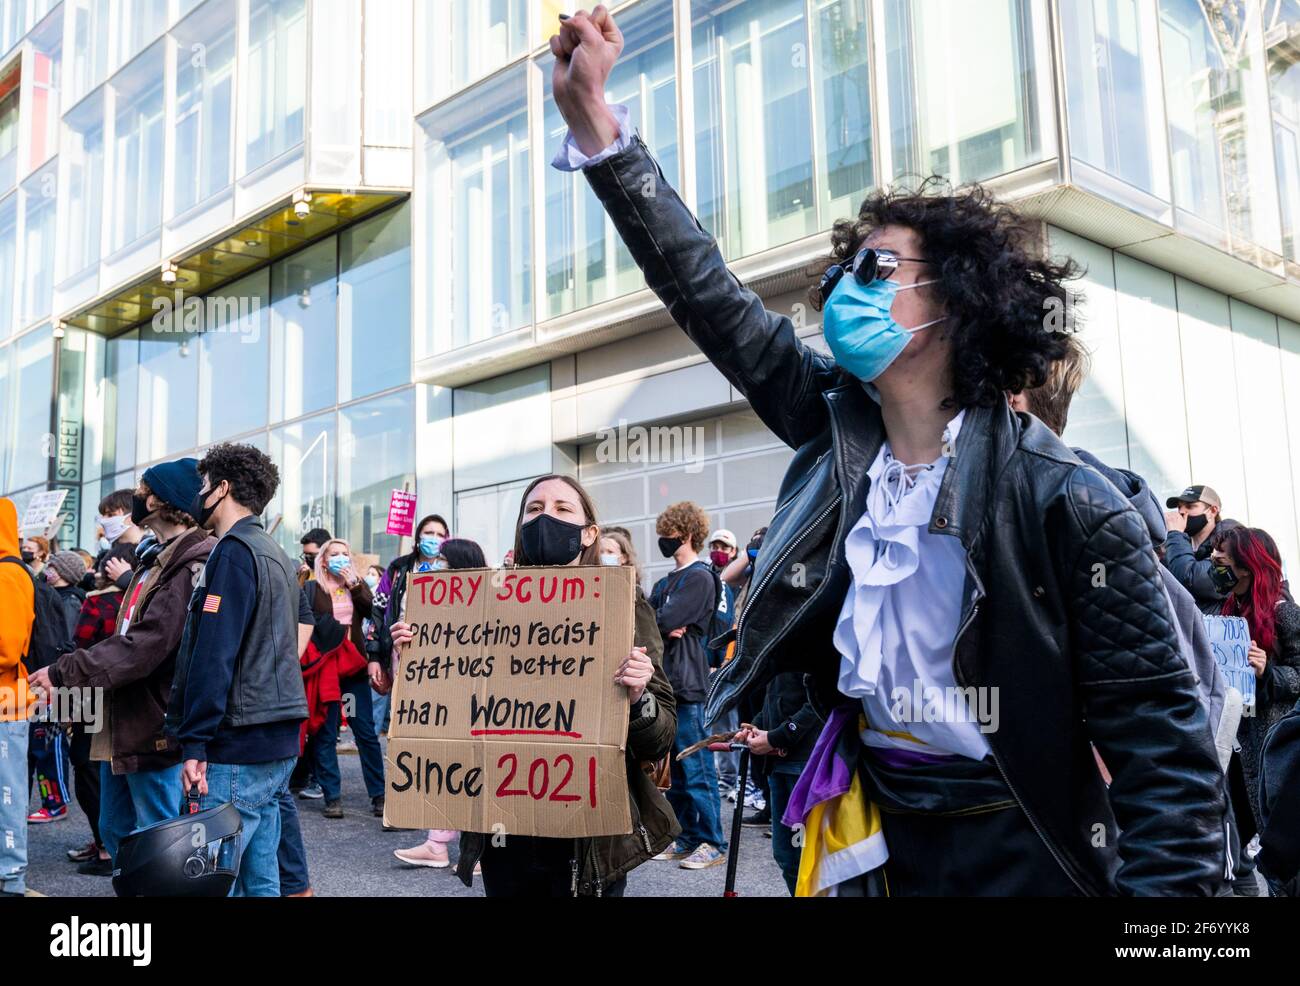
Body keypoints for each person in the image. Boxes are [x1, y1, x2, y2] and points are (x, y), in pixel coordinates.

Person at [549, 5, 1226, 895]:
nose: (841, 293)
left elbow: (1164, 756)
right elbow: (709, 296)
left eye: (876, 271)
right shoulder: (837, 428)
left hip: (1029, 848)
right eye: (842, 274)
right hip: (872, 839)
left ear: (965, 301)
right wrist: (600, 130)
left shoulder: (1065, 498)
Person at [392, 475, 678, 896]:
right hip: (503, 830)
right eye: (535, 509)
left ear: (589, 533)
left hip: (587, 837)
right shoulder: (483, 605)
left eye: (563, 509)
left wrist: (639, 697)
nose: (546, 518)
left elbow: (661, 736)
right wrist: (421, 658)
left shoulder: (623, 606)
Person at [30, 460, 215, 879]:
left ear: (166, 501)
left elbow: (145, 646)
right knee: (116, 832)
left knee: (159, 838)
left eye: (144, 490)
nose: (136, 498)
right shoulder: (155, 560)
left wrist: (66, 671)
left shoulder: (187, 567)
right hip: (125, 722)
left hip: (154, 725)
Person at [166, 442, 307, 897]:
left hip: (236, 742)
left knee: (216, 881)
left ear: (222, 488)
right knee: (260, 876)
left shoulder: (232, 551)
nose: (199, 494)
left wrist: (195, 741)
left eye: (205, 485)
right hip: (275, 733)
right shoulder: (275, 553)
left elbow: (215, 654)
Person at [393, 537, 487, 870]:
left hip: (480, 702)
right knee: (448, 769)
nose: (436, 564)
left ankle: (482, 850)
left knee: (478, 772)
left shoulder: (488, 604)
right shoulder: (432, 601)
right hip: (445, 701)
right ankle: (437, 845)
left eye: (444, 560)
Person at [648, 501, 729, 870]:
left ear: (689, 535)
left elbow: (667, 617)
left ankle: (712, 840)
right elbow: (650, 622)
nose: (665, 542)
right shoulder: (665, 581)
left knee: (696, 767)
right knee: (677, 771)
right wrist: (663, 624)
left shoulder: (699, 576)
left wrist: (664, 622)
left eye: (671, 537)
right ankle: (686, 836)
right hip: (666, 681)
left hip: (690, 682)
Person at [1211, 528, 1300, 858]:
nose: (1213, 563)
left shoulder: (1284, 613)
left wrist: (1268, 673)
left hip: (1275, 743)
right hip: (1240, 738)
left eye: (1222, 559)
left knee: (1279, 833)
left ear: (1246, 567)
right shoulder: (1230, 610)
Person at [306, 537, 384, 820]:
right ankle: (332, 797)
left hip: (351, 670)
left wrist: (355, 583)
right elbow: (307, 623)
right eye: (334, 554)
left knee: (364, 731)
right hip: (326, 669)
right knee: (325, 733)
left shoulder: (355, 587)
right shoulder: (312, 589)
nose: (340, 558)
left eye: (345, 554)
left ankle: (379, 795)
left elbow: (372, 611)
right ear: (324, 561)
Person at [26, 550, 86, 824]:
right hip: (51, 680)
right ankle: (52, 800)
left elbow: (64, 644)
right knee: (42, 745)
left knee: (51, 746)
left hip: (57, 683)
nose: (46, 568)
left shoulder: (70, 601)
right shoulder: (56, 596)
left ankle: (56, 801)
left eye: (52, 565)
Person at [0, 497, 36, 896]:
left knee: (6, 796)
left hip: (7, 703)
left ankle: (10, 880)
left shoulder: (8, 575)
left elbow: (7, 649)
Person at [1163, 486, 1237, 615]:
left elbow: (1190, 579)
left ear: (1213, 511)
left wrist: (1175, 534)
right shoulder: (1176, 545)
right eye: (1179, 507)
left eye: (1190, 506)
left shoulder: (1230, 544)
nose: (1181, 512)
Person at [92, 490, 142, 593]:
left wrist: (126, 578)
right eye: (103, 515)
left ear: (131, 517)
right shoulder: (105, 554)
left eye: (110, 515)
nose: (103, 521)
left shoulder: (151, 551)